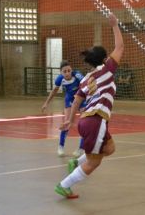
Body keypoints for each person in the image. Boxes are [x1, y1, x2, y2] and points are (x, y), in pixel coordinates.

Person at [54, 13, 124, 199]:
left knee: (109, 148)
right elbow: (120, 46)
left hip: (86, 121)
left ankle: (76, 162)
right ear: (103, 59)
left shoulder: (85, 79)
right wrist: (115, 25)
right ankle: (64, 185)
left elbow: (76, 100)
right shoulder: (107, 69)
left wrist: (69, 121)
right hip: (95, 121)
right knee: (94, 162)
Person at [42, 61, 86, 157]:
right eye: (64, 71)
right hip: (69, 100)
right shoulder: (59, 79)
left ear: (72, 70)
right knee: (67, 123)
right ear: (61, 72)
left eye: (69, 71)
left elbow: (86, 85)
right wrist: (46, 103)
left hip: (81, 99)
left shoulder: (78, 76)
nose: (67, 73)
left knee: (84, 124)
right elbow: (54, 91)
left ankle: (81, 148)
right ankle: (61, 147)